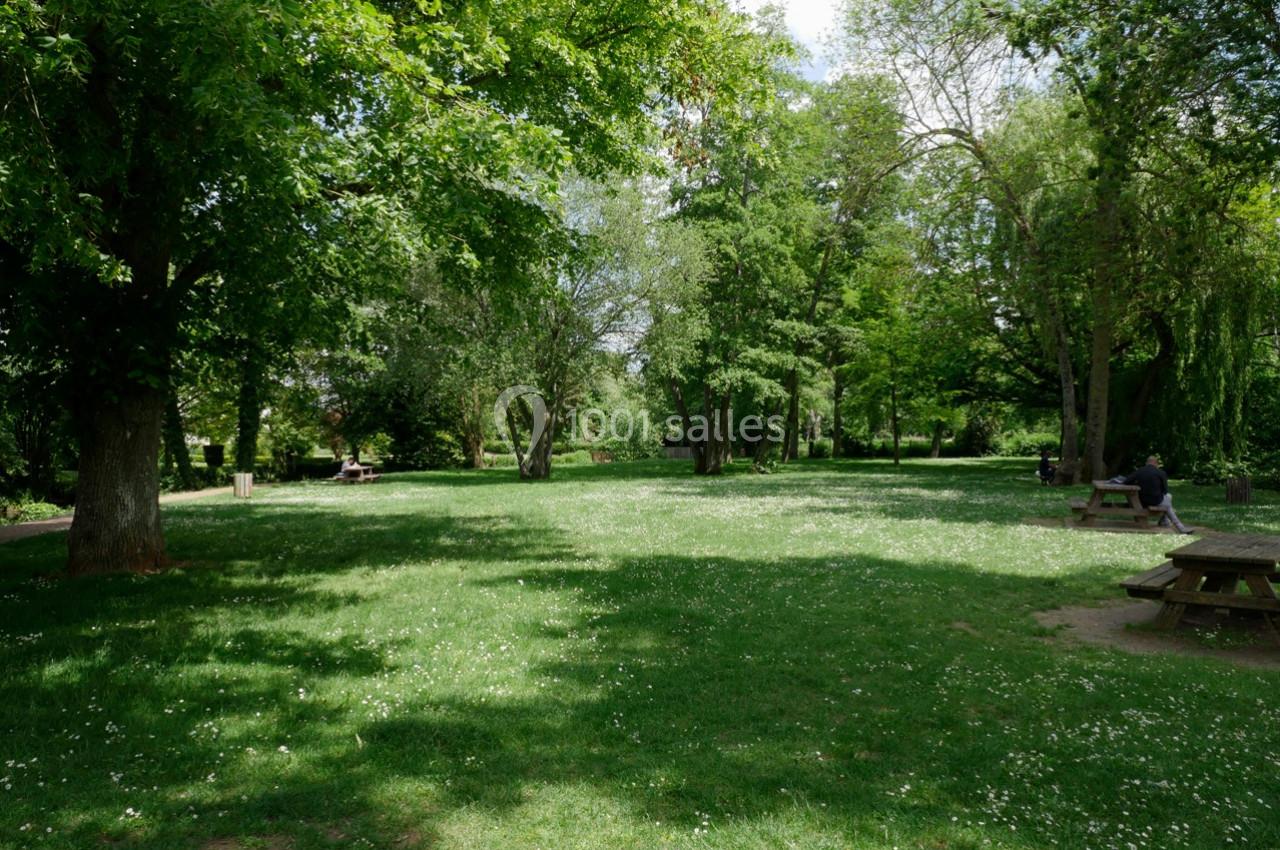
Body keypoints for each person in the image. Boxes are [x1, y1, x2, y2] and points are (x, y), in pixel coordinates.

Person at [1122, 456, 1192, 534]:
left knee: (1168, 500)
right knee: (1168, 498)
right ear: (1156, 464)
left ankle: (1165, 521)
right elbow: (1165, 491)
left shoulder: (1139, 471)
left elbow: (1126, 481)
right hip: (1156, 501)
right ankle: (1179, 527)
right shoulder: (1161, 473)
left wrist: (1137, 483)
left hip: (1141, 501)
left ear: (1146, 463)